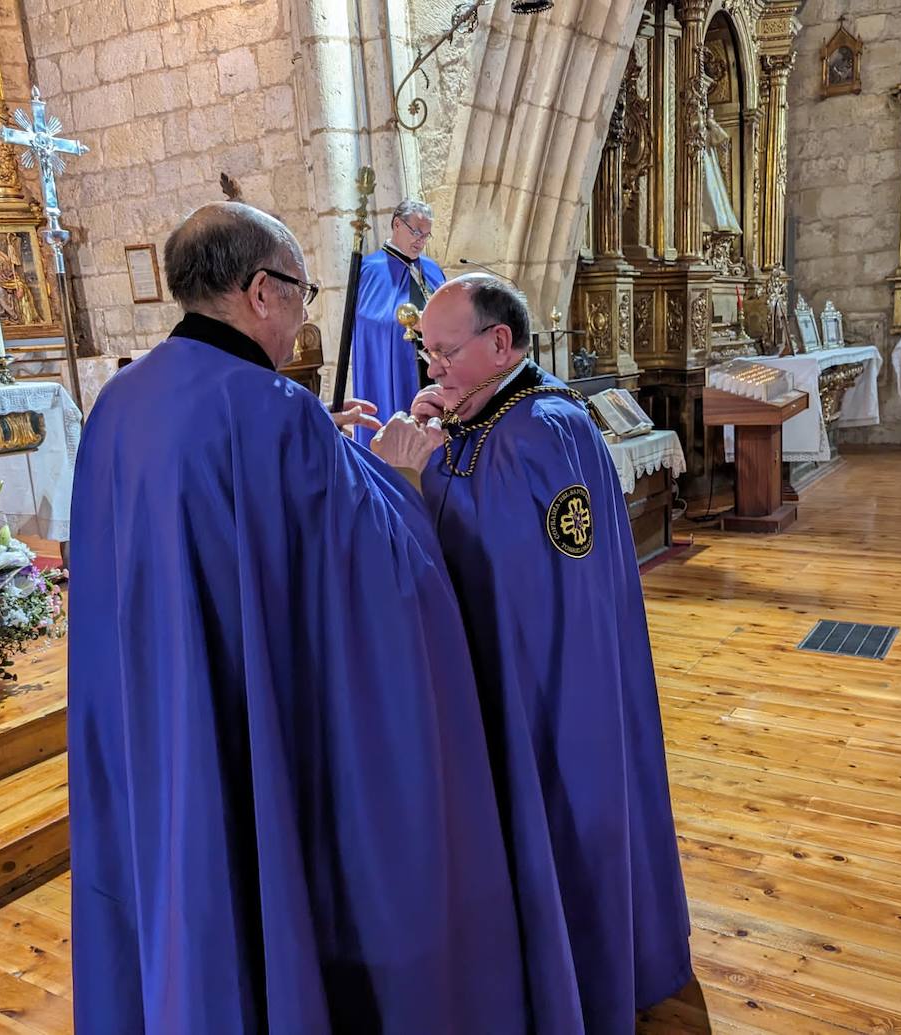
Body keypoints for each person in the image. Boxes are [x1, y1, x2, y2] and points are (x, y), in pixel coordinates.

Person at [68, 203, 529, 1034]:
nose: (307, 315)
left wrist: (321, 440)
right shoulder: (270, 409)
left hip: (153, 713)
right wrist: (393, 473)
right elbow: (385, 579)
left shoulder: (118, 405)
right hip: (247, 719)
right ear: (259, 293)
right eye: (304, 293)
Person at [380, 273, 693, 1034]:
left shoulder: (539, 429)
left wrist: (416, 477)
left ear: (499, 344)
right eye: (428, 354)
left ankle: (577, 983)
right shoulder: (504, 411)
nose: (433, 369)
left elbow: (511, 565)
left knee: (564, 824)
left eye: (445, 353)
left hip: (554, 688)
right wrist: (444, 438)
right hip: (551, 673)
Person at [349, 199, 444, 446]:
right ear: (397, 225)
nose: (421, 241)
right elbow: (368, 324)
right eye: (416, 232)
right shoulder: (371, 269)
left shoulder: (432, 269)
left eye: (426, 235)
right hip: (398, 367)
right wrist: (411, 322)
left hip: (437, 370)